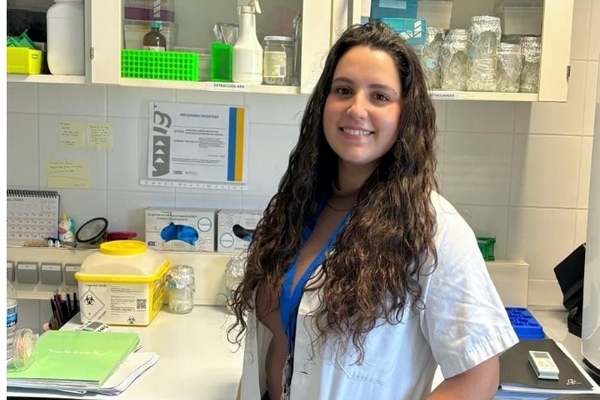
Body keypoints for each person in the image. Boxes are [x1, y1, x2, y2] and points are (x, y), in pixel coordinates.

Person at [229, 22, 518, 400]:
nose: (356, 108)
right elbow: (270, 344)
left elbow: (477, 378)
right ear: (324, 103)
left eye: (379, 96)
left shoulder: (434, 229)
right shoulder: (296, 206)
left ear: (405, 114)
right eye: (343, 90)